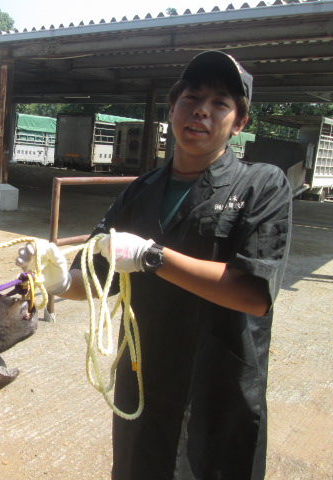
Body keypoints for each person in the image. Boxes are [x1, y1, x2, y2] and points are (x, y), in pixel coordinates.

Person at [16, 51, 292, 480]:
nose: (201, 110)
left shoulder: (262, 184)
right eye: (192, 97)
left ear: (239, 122)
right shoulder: (140, 191)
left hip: (217, 388)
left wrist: (151, 257)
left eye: (220, 103)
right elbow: (97, 278)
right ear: (172, 108)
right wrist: (55, 279)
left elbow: (253, 294)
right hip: (144, 381)